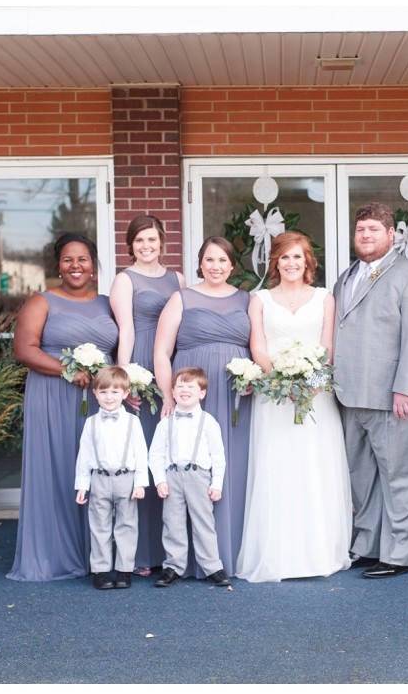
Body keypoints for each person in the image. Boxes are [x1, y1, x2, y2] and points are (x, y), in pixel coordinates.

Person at [235, 231, 353, 582]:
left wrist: (311, 388)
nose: (291, 263)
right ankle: (278, 554)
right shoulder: (259, 299)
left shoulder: (325, 298)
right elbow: (258, 347)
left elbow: (328, 347)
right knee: (278, 469)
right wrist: (281, 385)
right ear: (275, 262)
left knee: (315, 469)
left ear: (308, 262)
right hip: (274, 398)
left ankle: (318, 552)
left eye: (297, 257)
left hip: (317, 396)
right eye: (284, 257)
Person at [332, 202, 408, 579]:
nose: (366, 236)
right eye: (361, 230)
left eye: (374, 229)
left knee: (400, 477)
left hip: (395, 398)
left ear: (391, 235)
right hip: (349, 395)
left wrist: (406, 389)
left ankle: (398, 553)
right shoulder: (345, 277)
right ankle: (368, 545)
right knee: (363, 478)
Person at [8, 233, 119, 582]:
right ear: (58, 265)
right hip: (53, 395)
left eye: (83, 259)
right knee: (58, 467)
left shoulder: (107, 303)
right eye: (68, 260)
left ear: (94, 266)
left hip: (101, 399)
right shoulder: (41, 301)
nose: (76, 266)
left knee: (100, 471)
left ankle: (100, 555)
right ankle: (53, 554)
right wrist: (67, 371)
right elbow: (25, 349)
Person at [152, 236, 251, 578]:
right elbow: (161, 351)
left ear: (232, 265)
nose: (215, 266)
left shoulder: (245, 299)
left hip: (234, 394)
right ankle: (179, 563)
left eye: (222, 260)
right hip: (189, 390)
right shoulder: (181, 298)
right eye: (209, 260)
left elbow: (257, 346)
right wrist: (168, 394)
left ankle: (228, 554)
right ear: (199, 263)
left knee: (228, 467)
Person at [109, 215, 185, 576]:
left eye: (152, 239)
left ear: (163, 240)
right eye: (139, 240)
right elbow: (125, 331)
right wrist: (126, 381)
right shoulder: (124, 280)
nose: (146, 246)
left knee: (167, 456)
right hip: (141, 365)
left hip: (171, 364)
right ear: (130, 245)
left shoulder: (178, 279)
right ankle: (140, 553)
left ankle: (169, 551)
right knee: (140, 457)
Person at [148, 367, 231, 588]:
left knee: (204, 522)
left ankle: (212, 566)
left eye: (190, 386)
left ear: (202, 393)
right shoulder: (165, 423)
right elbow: (155, 454)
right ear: (173, 393)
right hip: (172, 475)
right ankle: (173, 567)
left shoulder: (208, 421)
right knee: (172, 522)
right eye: (180, 386)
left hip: (199, 476)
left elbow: (218, 455)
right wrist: (160, 480)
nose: (185, 390)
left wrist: (217, 483)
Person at [74, 366, 149, 590]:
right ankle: (101, 570)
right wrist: (82, 485)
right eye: (104, 392)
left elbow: (141, 453)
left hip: (126, 479)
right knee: (99, 525)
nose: (109, 397)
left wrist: (141, 483)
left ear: (125, 394)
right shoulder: (91, 423)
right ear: (95, 393)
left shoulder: (133, 422)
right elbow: (84, 455)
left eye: (115, 392)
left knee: (127, 524)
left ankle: (125, 570)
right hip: (99, 479)